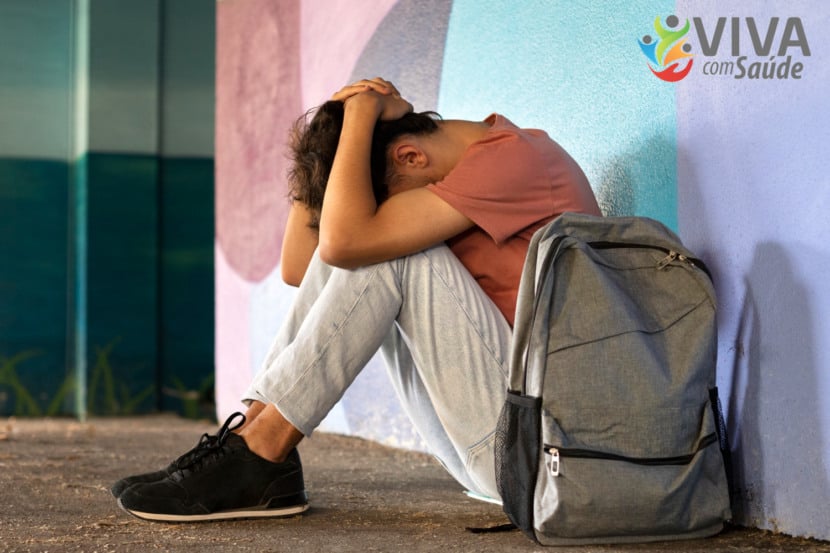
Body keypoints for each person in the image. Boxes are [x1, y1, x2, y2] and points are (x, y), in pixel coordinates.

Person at [112, 78, 601, 522]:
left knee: (388, 254)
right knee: (362, 247)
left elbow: (343, 244)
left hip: (549, 457)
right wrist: (330, 138)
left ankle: (261, 453)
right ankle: (247, 439)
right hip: (504, 449)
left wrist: (364, 111)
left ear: (409, 157)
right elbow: (304, 266)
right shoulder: (467, 170)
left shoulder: (515, 159)